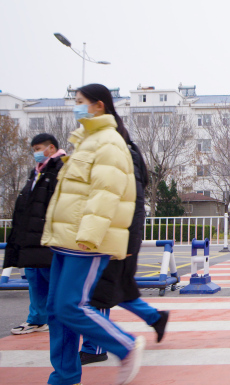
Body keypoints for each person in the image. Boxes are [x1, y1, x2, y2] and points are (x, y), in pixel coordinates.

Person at [41, 83, 143, 385]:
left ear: (98, 105)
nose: (76, 106)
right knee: (56, 312)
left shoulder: (109, 142)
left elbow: (106, 191)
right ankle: (64, 376)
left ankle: (124, 346)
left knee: (70, 306)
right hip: (65, 238)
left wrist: (91, 235)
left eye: (80, 101)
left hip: (84, 239)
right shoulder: (86, 140)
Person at [79, 132, 170, 365]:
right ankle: (155, 317)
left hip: (117, 236)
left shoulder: (122, 157)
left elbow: (129, 203)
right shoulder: (124, 156)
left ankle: (95, 346)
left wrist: (128, 242)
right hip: (117, 234)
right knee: (118, 288)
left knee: (100, 291)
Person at [4, 133, 65, 335]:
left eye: (39, 149)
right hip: (31, 237)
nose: (36, 153)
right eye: (34, 150)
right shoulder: (38, 172)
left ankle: (60, 319)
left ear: (52, 148)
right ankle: (38, 319)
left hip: (47, 237)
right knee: (34, 278)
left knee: (52, 280)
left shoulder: (60, 169)